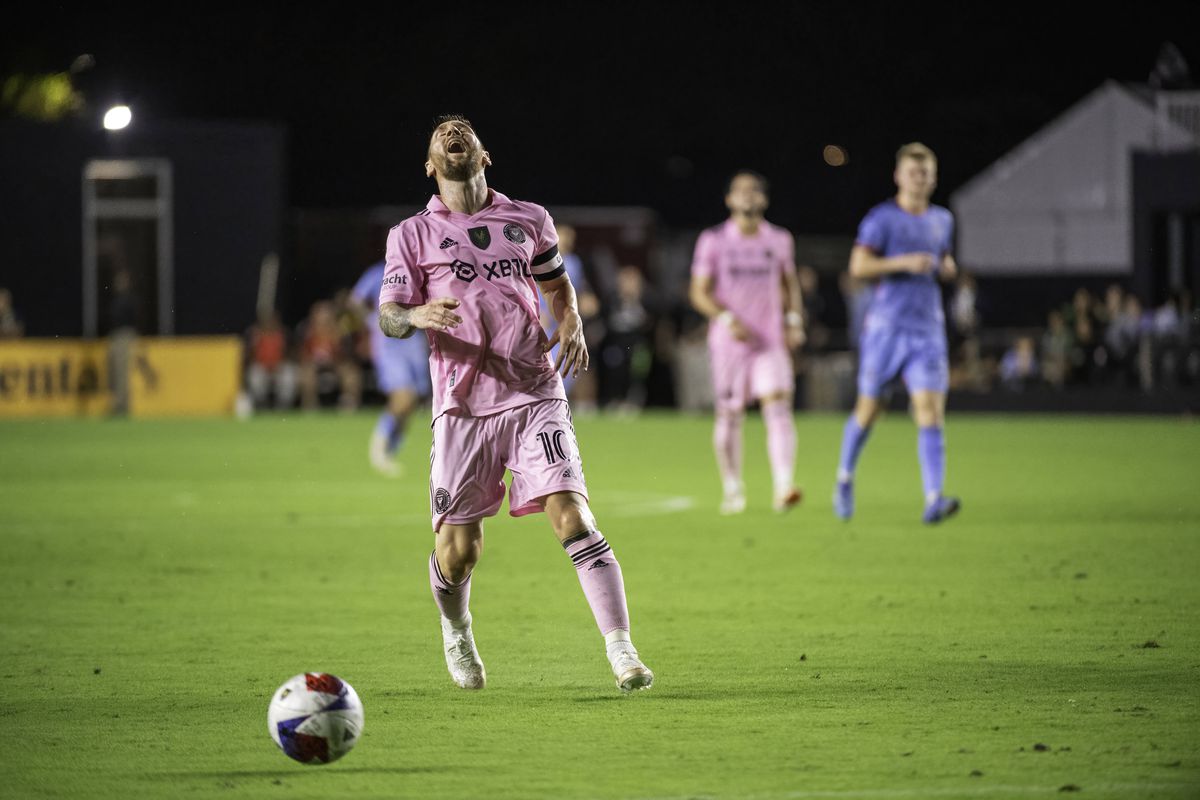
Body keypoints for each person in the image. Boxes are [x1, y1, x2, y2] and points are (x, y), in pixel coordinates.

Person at [377, 115, 652, 693]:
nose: (453, 132)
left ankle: (622, 649)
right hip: (462, 406)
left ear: (484, 155)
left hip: (534, 391)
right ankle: (457, 631)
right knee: (459, 552)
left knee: (573, 516)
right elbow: (389, 315)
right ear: (432, 164)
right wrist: (417, 314)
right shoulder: (411, 234)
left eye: (463, 130)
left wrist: (571, 316)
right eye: (440, 133)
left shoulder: (529, 219)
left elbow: (555, 283)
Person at [833, 142, 961, 524]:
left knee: (930, 411)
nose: (919, 179)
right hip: (887, 329)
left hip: (928, 329)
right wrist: (904, 261)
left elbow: (944, 257)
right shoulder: (881, 219)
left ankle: (933, 498)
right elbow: (858, 266)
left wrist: (947, 267)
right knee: (870, 410)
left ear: (934, 178)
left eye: (925, 172)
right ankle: (844, 477)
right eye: (912, 172)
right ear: (898, 176)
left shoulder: (943, 219)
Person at [689, 170, 805, 515]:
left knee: (778, 407)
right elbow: (699, 292)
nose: (748, 196)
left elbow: (790, 283)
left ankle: (784, 486)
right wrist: (726, 318)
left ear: (764, 200)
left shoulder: (779, 239)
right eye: (741, 191)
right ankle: (733, 487)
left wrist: (794, 320)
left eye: (755, 191)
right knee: (730, 415)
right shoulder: (714, 240)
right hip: (730, 343)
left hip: (770, 340)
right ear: (729, 200)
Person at [351, 260, 431, 476]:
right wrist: (371, 321)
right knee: (403, 397)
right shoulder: (379, 272)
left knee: (412, 401)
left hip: (415, 340)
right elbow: (355, 300)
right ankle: (378, 450)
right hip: (390, 341)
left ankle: (390, 451)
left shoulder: (421, 271)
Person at [298, 300, 362, 411]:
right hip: (314, 365)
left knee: (350, 373)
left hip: (335, 364)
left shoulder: (339, 331)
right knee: (307, 372)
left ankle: (348, 403)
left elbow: (345, 355)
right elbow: (302, 355)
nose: (324, 319)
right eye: (321, 315)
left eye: (326, 315)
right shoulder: (307, 331)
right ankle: (310, 405)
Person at [245, 309, 298, 409]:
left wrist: (279, 365)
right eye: (267, 320)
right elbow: (248, 357)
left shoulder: (284, 334)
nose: (270, 323)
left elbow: (291, 354)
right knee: (254, 373)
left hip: (279, 368)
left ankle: (283, 406)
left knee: (289, 372)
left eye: (272, 320)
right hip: (261, 368)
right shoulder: (255, 334)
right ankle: (261, 405)